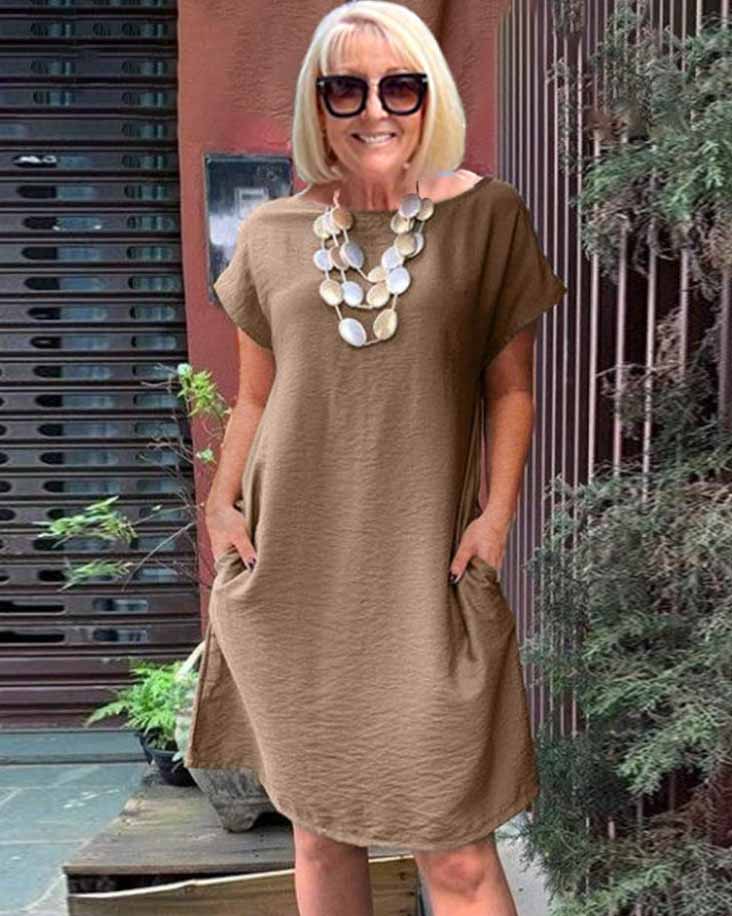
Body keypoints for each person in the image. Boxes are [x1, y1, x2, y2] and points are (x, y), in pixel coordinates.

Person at [185, 2, 567, 914]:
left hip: (422, 572)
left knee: (456, 851)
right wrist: (222, 504)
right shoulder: (271, 233)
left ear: (432, 97)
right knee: (320, 835)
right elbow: (257, 395)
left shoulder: (487, 218)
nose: (374, 109)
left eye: (400, 85)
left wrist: (495, 517)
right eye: (345, 88)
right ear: (316, 105)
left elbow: (510, 391)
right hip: (294, 570)